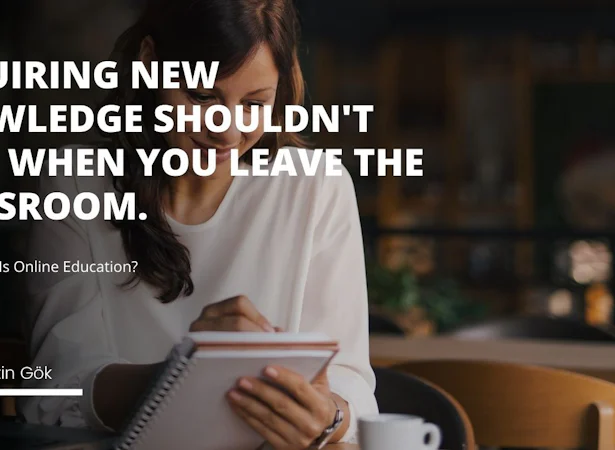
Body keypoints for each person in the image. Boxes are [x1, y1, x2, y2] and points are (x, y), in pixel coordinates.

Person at [19, 0, 379, 447]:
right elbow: (54, 391)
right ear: (150, 60)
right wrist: (186, 370)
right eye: (203, 96)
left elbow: (352, 389)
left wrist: (327, 417)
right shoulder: (76, 184)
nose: (227, 132)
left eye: (254, 103)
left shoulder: (316, 187)